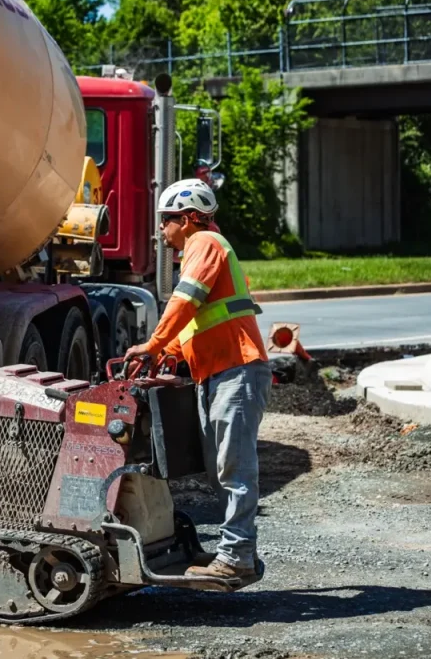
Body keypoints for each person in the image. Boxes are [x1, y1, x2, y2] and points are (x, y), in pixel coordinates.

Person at [124, 178, 271, 581]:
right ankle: (234, 551)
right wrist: (166, 355)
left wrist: (152, 346)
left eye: (166, 220)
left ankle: (237, 556)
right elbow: (194, 324)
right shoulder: (199, 249)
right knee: (220, 468)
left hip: (237, 371)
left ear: (189, 219)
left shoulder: (204, 242)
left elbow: (184, 302)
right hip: (221, 372)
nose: (161, 229)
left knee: (234, 468)